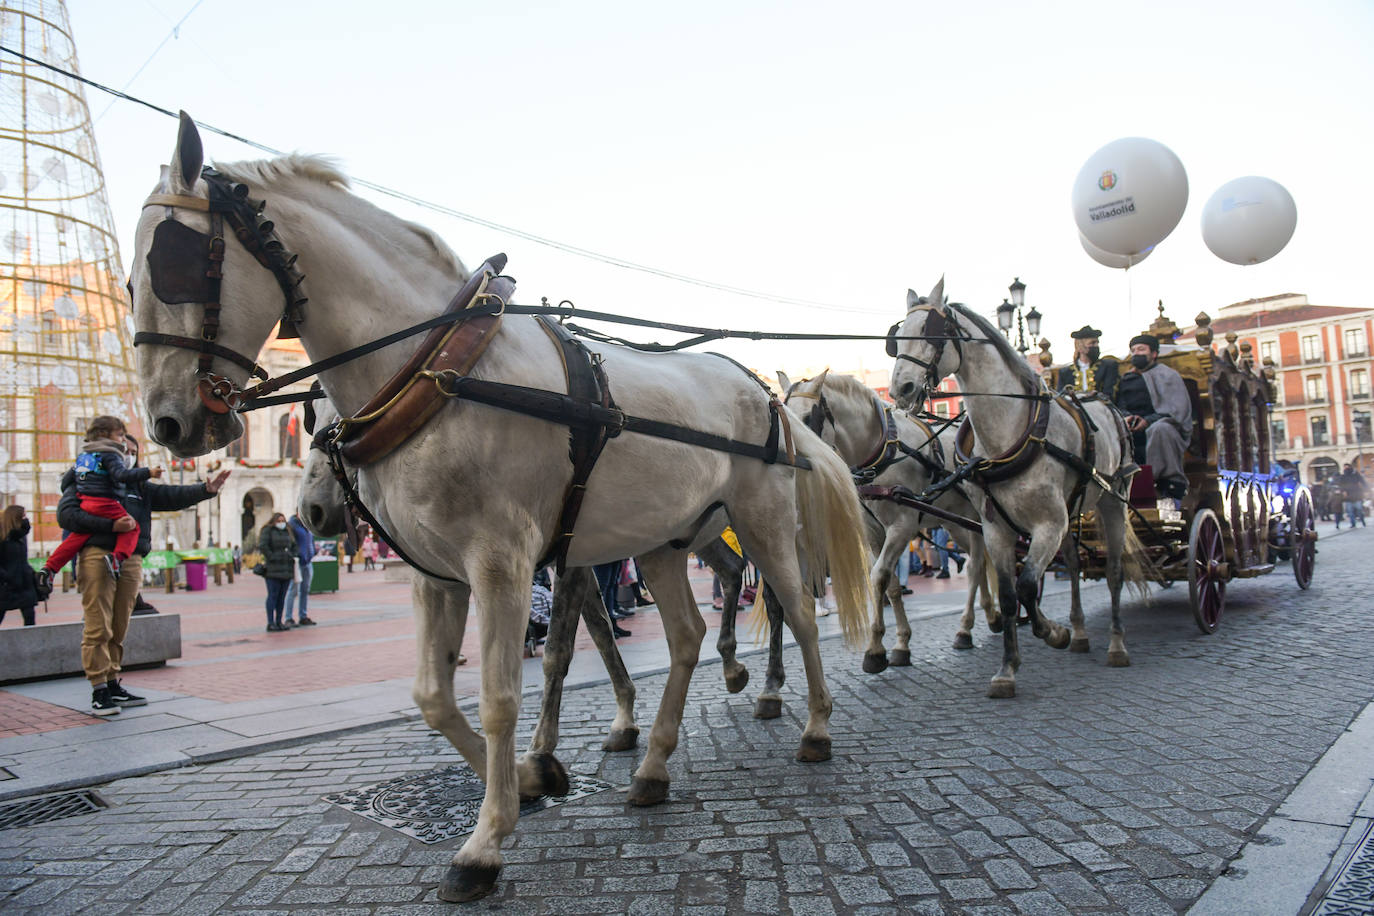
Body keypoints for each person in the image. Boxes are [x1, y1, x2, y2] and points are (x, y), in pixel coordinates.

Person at [58, 435, 229, 715]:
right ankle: (98, 688)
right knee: (98, 626)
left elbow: (169, 496)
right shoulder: (86, 479)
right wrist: (111, 526)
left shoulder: (138, 485)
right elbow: (67, 516)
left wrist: (205, 490)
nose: (128, 456)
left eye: (132, 452)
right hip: (97, 556)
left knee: (119, 625)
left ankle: (112, 681)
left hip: (130, 559)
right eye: (123, 451)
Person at [39, 416, 160, 590]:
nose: (123, 440)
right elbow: (121, 475)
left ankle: (50, 568)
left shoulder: (85, 454)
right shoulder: (110, 454)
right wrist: (148, 472)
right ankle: (117, 558)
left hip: (86, 502)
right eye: (120, 435)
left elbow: (67, 480)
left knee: (76, 538)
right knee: (132, 526)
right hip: (105, 502)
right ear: (105, 434)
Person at [1113, 333, 1193, 500]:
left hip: (1162, 424)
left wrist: (1147, 421)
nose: (1136, 353)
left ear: (1154, 354)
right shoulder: (1127, 379)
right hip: (1131, 426)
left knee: (1160, 430)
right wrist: (1127, 418)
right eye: (1133, 350)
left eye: (1141, 349)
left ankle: (1165, 482)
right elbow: (1120, 406)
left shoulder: (1168, 376)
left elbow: (1176, 410)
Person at [1, 505, 41, 627]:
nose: (26, 518)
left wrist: (30, 573)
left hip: (24, 583)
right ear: (15, 517)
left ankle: (31, 643)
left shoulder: (21, 536)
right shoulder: (3, 537)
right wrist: (5, 576)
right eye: (23, 515)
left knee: (30, 616)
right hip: (5, 584)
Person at [1053, 325, 1120, 398]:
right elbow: (1061, 398)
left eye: (1097, 343)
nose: (1096, 346)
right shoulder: (1065, 372)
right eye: (1092, 343)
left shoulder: (1108, 366)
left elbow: (1108, 394)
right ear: (1080, 346)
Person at [258, 512, 297, 632]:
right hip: (272, 570)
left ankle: (279, 621)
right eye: (279, 521)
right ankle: (270, 623)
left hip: (286, 569)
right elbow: (263, 546)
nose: (281, 523)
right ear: (274, 521)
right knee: (272, 596)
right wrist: (272, 557)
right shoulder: (268, 531)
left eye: (283, 521)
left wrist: (292, 555)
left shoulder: (288, 531)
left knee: (282, 597)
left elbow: (294, 546)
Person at [283, 514, 317, 626]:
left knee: (305, 590)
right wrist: (296, 555)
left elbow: (310, 540)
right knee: (293, 590)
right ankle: (288, 618)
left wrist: (313, 552)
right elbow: (290, 542)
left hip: (308, 562)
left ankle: (303, 616)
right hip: (297, 563)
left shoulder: (307, 525)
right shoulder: (292, 525)